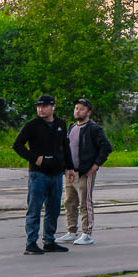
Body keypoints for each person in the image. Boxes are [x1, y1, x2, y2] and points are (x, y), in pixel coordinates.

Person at [11, 95, 72, 255]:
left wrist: (69, 167)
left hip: (56, 173)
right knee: (35, 209)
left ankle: (49, 241)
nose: (41, 109)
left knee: (53, 210)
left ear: (53, 107)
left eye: (44, 106)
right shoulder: (32, 125)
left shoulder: (60, 124)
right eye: (38, 106)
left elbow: (65, 147)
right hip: (38, 174)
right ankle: (31, 243)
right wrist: (34, 158)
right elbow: (17, 145)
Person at [57, 98, 111, 246]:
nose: (78, 111)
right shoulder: (72, 127)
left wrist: (95, 166)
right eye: (76, 108)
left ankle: (87, 234)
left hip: (85, 172)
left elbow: (106, 147)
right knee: (69, 202)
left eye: (81, 109)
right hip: (70, 172)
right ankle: (71, 231)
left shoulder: (93, 129)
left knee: (85, 203)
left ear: (88, 112)